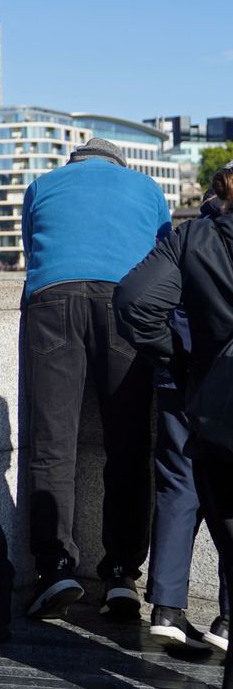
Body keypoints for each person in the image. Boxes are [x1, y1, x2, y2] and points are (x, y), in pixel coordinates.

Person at [20, 137, 170, 620]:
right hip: (126, 302)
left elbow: (32, 253)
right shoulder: (146, 188)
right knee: (128, 443)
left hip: (53, 300)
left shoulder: (42, 185)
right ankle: (123, 574)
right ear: (118, 165)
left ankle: (55, 568)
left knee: (51, 444)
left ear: (74, 163)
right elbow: (163, 260)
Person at [117, 166, 233, 688]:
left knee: (179, 487)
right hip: (202, 388)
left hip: (202, 391)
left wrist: (184, 360)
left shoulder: (190, 236)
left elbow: (135, 302)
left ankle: (166, 606)